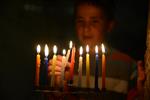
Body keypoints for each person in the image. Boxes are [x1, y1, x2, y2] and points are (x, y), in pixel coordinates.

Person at [48, 0, 145, 99]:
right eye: (81, 21)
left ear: (109, 25)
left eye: (94, 21)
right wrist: (57, 89)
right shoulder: (63, 64)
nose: (86, 28)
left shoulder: (127, 66)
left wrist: (142, 94)